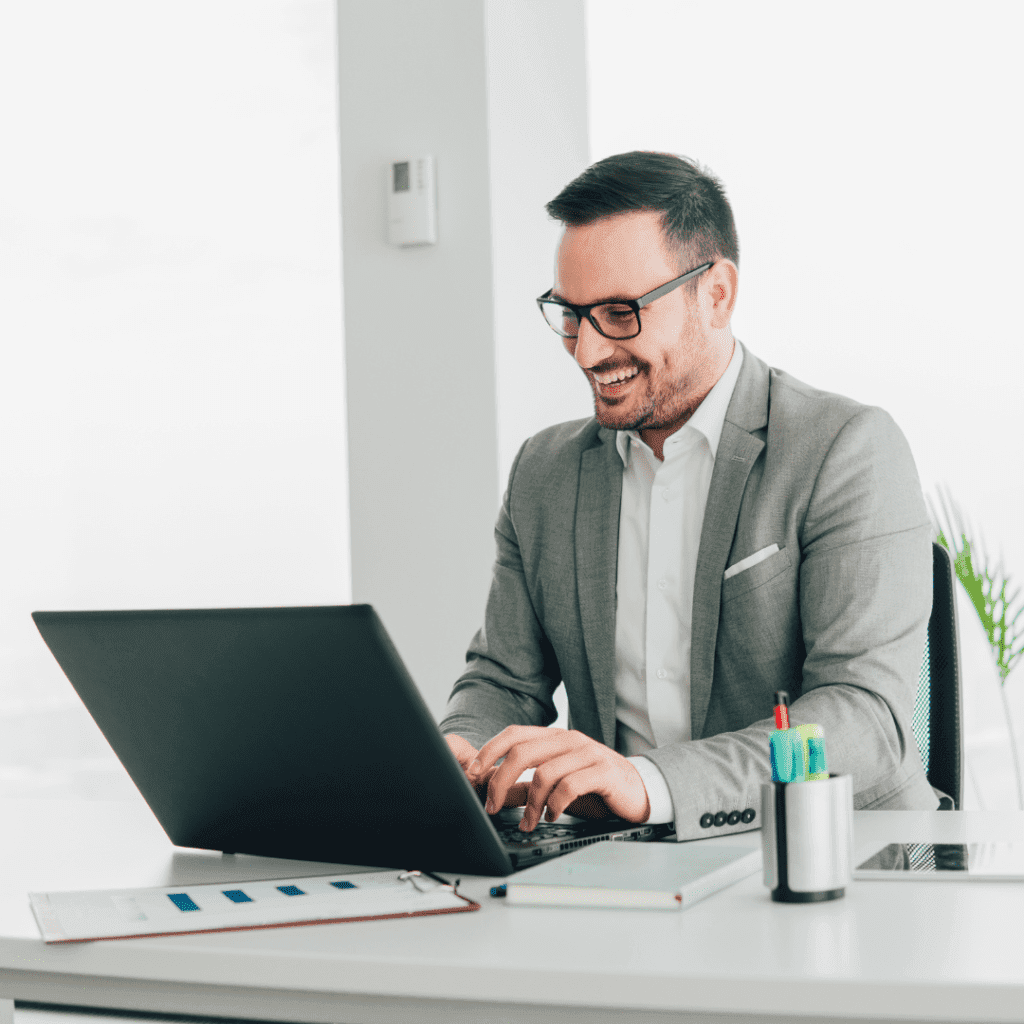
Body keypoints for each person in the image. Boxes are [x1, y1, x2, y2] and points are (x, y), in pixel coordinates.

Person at [439, 151, 939, 841]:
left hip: (830, 856)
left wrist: (647, 784)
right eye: (571, 314)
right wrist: (461, 749)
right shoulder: (543, 473)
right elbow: (502, 680)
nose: (587, 352)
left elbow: (863, 719)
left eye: (620, 313)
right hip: (622, 861)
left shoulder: (846, 449)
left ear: (717, 295)